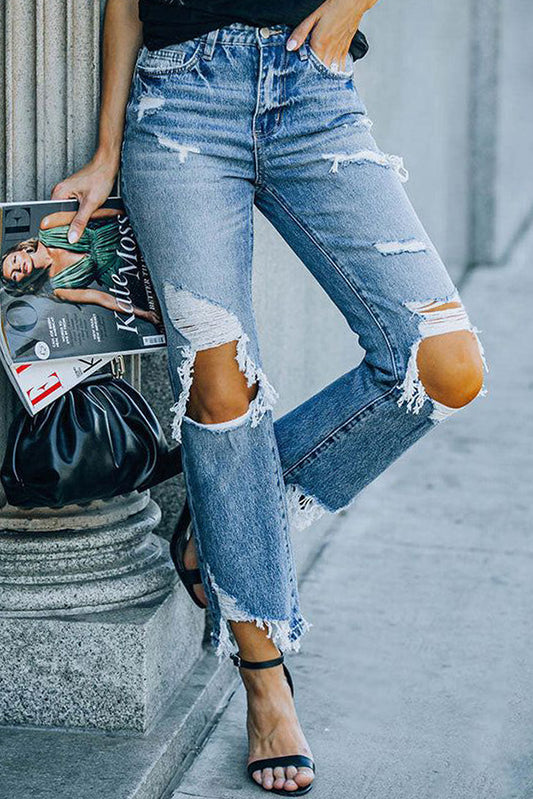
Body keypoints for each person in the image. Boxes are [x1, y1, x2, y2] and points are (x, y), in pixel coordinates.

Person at [53, 1, 487, 794]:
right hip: (179, 103)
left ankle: (219, 531)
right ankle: (264, 678)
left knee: (441, 363)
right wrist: (108, 149)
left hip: (312, 94)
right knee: (220, 390)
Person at [1, 208, 159, 325]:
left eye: (14, 260)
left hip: (123, 234)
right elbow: (100, 298)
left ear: (20, 250)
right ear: (21, 282)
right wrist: (144, 314)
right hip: (128, 270)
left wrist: (129, 211)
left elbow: (90, 214)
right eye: (15, 275)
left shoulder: (48, 225)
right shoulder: (59, 289)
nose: (18, 268)